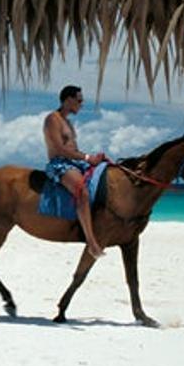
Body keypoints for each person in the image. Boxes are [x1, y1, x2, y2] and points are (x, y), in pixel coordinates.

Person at [43, 85, 107, 258]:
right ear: (68, 100)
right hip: (60, 164)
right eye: (79, 100)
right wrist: (88, 158)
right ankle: (91, 242)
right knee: (82, 192)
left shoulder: (68, 122)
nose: (81, 104)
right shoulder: (52, 119)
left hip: (75, 162)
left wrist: (94, 159)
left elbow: (74, 149)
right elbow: (59, 149)